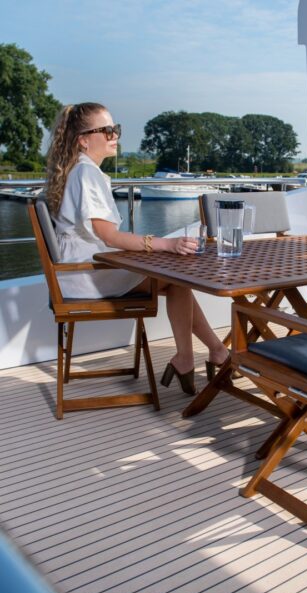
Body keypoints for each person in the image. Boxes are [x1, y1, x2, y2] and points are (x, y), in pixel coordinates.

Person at [45, 102, 228, 395]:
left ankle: (205, 354)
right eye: (106, 130)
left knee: (176, 279)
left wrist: (158, 247)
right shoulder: (86, 173)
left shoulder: (82, 170)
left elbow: (104, 237)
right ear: (83, 139)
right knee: (177, 275)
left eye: (115, 129)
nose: (114, 135)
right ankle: (199, 356)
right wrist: (166, 244)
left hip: (79, 269)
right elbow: (108, 236)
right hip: (86, 274)